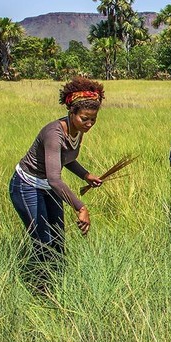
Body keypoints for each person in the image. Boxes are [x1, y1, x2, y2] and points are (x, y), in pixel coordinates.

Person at [9, 76, 104, 282]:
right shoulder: (54, 133)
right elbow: (54, 179)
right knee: (43, 240)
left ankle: (59, 283)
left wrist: (86, 175)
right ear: (72, 113)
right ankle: (41, 288)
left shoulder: (77, 129)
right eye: (84, 118)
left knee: (58, 239)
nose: (89, 124)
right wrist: (80, 207)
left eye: (93, 120)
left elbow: (66, 158)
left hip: (48, 187)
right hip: (28, 185)